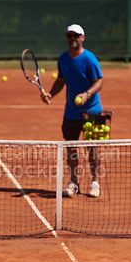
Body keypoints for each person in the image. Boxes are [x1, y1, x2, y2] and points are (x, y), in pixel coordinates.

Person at [43, 24, 103, 197]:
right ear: (66, 37)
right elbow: (61, 81)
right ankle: (74, 183)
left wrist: (87, 94)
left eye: (76, 36)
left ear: (82, 38)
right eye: (70, 36)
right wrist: (50, 94)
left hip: (91, 111)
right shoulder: (63, 58)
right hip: (71, 112)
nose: (73, 39)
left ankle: (95, 182)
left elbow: (99, 81)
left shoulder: (89, 59)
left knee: (92, 148)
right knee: (71, 148)